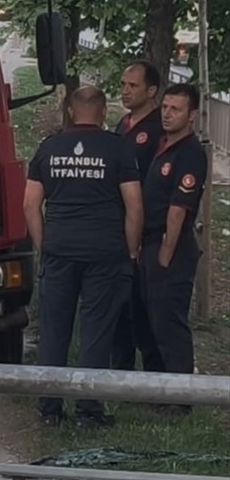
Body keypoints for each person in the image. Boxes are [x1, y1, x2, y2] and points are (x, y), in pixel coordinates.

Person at [23, 85, 142, 428]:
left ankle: (49, 409)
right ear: (104, 112)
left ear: (71, 111)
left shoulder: (49, 148)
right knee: (96, 330)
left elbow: (30, 204)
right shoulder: (118, 149)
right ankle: (88, 411)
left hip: (60, 251)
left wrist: (44, 246)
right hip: (106, 253)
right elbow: (134, 206)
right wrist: (131, 248)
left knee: (55, 329)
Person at [141, 83, 208, 413]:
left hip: (173, 247)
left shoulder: (190, 153)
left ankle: (181, 400)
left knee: (169, 324)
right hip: (151, 244)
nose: (167, 114)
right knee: (152, 321)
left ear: (192, 115)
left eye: (175, 109)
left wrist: (165, 256)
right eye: (165, 107)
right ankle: (159, 393)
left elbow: (178, 210)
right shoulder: (163, 145)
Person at [111, 60, 165, 372]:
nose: (126, 91)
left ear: (152, 90)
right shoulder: (123, 125)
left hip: (147, 231)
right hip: (120, 230)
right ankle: (120, 373)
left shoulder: (158, 129)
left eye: (133, 86)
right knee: (122, 307)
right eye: (123, 85)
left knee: (147, 310)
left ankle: (156, 377)